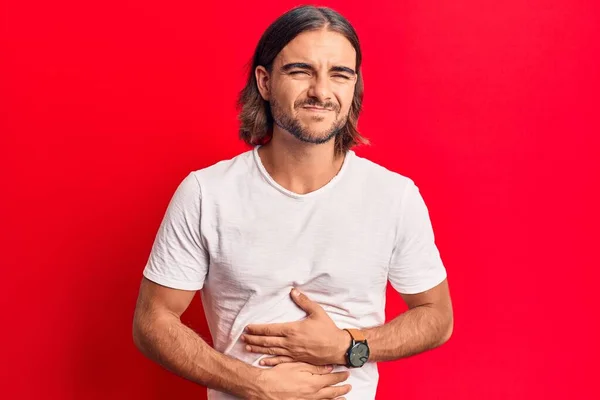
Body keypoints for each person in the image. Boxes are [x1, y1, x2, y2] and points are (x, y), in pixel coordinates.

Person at [132, 5, 453, 400]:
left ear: (354, 86)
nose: (321, 91)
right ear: (265, 82)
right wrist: (252, 383)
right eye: (301, 71)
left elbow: (437, 317)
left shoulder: (394, 196)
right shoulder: (206, 192)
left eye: (339, 74)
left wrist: (348, 345)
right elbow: (152, 320)